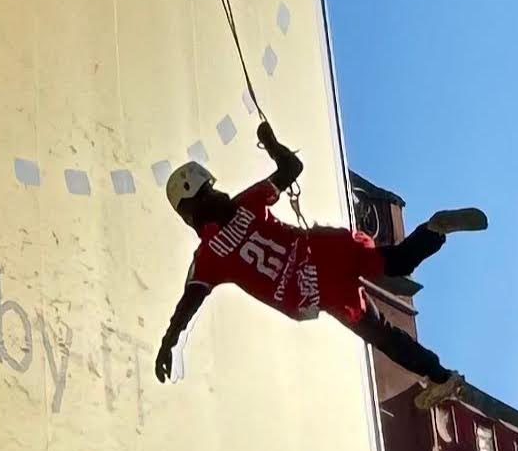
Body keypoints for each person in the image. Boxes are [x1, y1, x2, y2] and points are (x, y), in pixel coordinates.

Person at [155, 121, 484, 399]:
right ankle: (433, 230)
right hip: (326, 248)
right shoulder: (246, 203)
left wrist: (169, 342)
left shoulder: (208, 259)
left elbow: (189, 304)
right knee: (396, 262)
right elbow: (292, 168)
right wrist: (270, 143)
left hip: (317, 290)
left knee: (384, 336)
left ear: (187, 212)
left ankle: (439, 376)